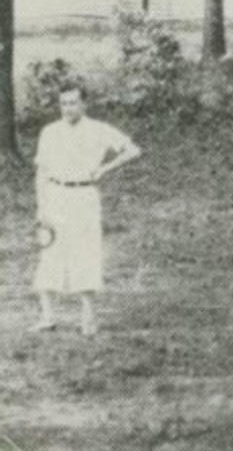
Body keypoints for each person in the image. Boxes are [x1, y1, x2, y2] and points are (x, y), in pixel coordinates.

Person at [33, 85, 143, 336]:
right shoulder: (49, 132)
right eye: (63, 103)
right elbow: (41, 171)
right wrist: (41, 207)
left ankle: (88, 319)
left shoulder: (98, 129)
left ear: (84, 104)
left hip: (84, 195)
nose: (68, 108)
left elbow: (133, 150)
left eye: (73, 103)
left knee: (85, 252)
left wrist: (105, 169)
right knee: (50, 252)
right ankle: (48, 317)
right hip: (55, 195)